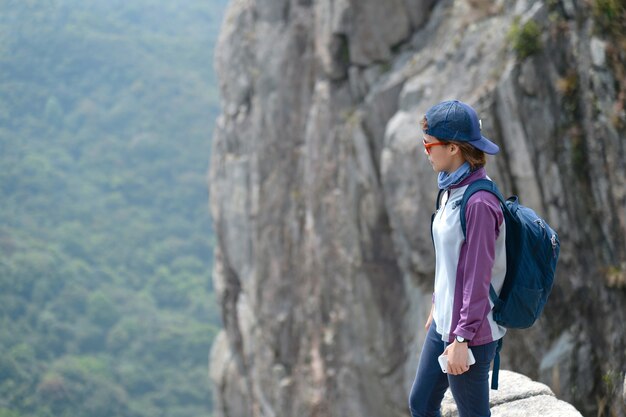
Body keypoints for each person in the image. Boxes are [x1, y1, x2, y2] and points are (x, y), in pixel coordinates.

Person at [408, 100, 507, 417]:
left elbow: (477, 277)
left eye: (429, 144)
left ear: (453, 148)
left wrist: (462, 339)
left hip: (471, 332)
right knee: (421, 404)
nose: (425, 151)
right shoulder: (451, 188)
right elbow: (451, 260)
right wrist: (438, 301)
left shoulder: (479, 202)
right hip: (445, 321)